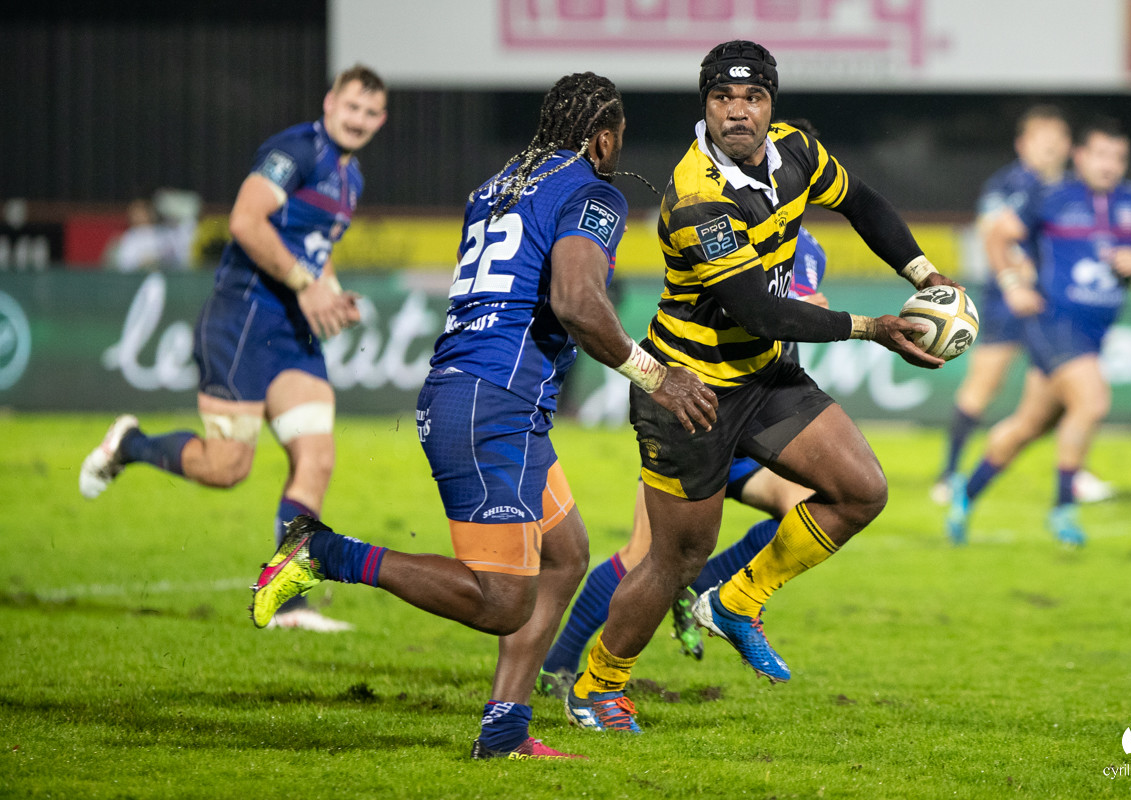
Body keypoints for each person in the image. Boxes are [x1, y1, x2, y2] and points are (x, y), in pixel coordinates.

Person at [247, 73, 717, 759]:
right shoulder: (592, 190)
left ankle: (503, 729)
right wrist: (656, 377)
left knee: (566, 554)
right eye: (615, 141)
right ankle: (323, 551)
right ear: (604, 137)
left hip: (478, 393)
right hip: (495, 403)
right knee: (503, 601)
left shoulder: (498, 185)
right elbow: (579, 305)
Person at [564, 40, 953, 735]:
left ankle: (739, 600)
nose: (736, 112)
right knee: (676, 557)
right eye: (722, 98)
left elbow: (861, 201)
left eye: (751, 98)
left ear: (771, 104)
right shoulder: (696, 195)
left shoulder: (797, 149)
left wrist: (923, 275)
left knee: (861, 490)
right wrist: (871, 326)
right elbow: (761, 311)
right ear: (704, 106)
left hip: (763, 376)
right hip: (688, 391)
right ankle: (595, 683)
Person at [79, 65, 388, 632]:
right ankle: (132, 444)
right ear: (329, 103)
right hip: (242, 317)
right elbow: (245, 221)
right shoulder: (295, 149)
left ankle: (288, 602)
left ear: (381, 119)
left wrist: (332, 294)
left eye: (371, 113)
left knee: (316, 458)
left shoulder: (353, 178)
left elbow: (317, 254)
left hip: (293, 332)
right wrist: (306, 284)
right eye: (352, 108)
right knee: (227, 468)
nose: (359, 120)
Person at [537, 221, 828, 695]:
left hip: (753, 425)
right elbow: (755, 312)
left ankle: (704, 586)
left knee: (815, 505)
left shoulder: (806, 243)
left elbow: (797, 310)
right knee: (641, 557)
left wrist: (809, 314)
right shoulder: (714, 224)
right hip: (696, 418)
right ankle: (559, 664)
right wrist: (801, 312)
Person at [947, 117, 1131, 546]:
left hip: (1093, 334)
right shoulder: (1051, 196)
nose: (1110, 165)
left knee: (1028, 426)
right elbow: (997, 237)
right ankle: (1064, 507)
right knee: (1092, 400)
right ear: (1080, 156)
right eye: (1101, 155)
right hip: (1052, 323)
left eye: (1118, 157)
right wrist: (1013, 285)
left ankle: (966, 494)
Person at [932, 106, 1116, 507]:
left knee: (1069, 396)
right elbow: (993, 234)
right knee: (984, 385)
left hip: (1052, 305)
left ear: (1069, 146)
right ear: (1023, 144)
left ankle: (1074, 472)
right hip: (1006, 300)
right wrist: (1015, 276)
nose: (1050, 150)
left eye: (1057, 142)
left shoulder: (1072, 188)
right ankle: (949, 475)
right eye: (1041, 142)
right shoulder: (1007, 185)